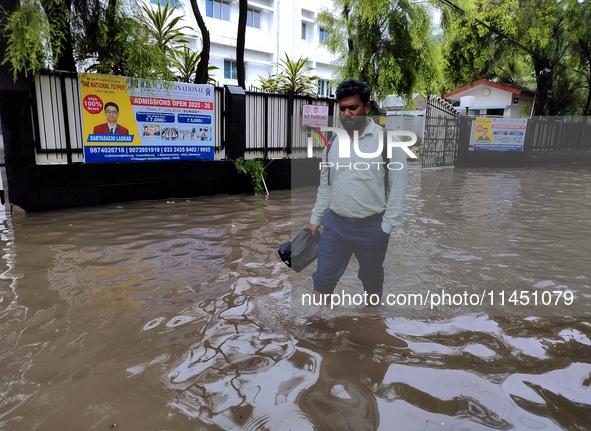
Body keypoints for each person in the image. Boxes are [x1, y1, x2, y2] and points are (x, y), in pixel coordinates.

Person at [307, 79, 407, 303]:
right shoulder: (332, 143)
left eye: (353, 107)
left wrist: (386, 227)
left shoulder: (389, 142)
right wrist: (315, 220)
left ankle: (372, 325)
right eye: (342, 108)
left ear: (367, 107)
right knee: (322, 281)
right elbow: (326, 185)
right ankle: (318, 335)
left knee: (371, 282)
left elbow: (398, 189)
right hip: (335, 225)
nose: (347, 114)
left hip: (373, 227)